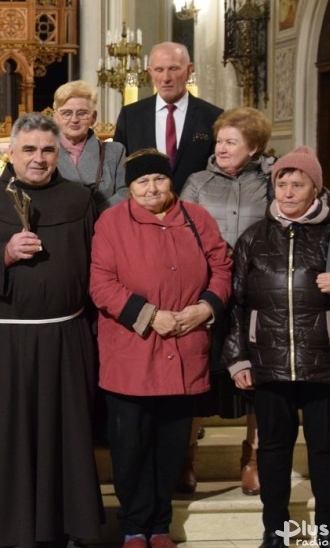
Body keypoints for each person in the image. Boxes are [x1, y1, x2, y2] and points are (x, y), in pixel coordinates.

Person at [222, 147, 330, 548]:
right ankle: (275, 531)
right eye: (282, 183)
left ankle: (328, 532)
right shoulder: (254, 237)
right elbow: (236, 304)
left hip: (327, 361)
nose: (288, 192)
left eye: (298, 184)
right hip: (269, 361)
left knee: (327, 450)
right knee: (273, 451)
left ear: (316, 188)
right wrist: (237, 358)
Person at [0, 112, 104, 547]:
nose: (38, 159)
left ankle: (71, 526)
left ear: (58, 153)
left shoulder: (79, 200)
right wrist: (2, 254)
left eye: (47, 150)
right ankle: (13, 530)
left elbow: (98, 264)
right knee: (10, 437)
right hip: (7, 341)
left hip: (66, 337)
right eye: (29, 150)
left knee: (68, 434)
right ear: (11, 152)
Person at [89, 149, 232, 548]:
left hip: (185, 346)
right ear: (129, 187)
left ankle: (160, 524)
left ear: (170, 180)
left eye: (159, 179)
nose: (152, 188)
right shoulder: (111, 222)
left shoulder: (196, 217)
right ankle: (134, 525)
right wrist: (152, 316)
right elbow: (102, 285)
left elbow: (222, 267)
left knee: (171, 446)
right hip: (133, 351)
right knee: (131, 446)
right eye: (142, 182)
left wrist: (205, 308)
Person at [177, 107, 276, 495]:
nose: (221, 148)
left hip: (257, 293)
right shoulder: (197, 181)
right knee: (198, 375)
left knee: (259, 378)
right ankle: (186, 458)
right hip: (207, 291)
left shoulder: (271, 181)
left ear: (253, 147)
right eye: (219, 141)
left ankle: (253, 458)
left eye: (231, 142)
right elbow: (179, 229)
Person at [113, 42, 222, 191]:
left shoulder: (213, 116)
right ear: (150, 73)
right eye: (159, 70)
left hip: (195, 208)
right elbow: (119, 171)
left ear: (189, 70)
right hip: (144, 208)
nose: (166, 78)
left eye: (174, 68)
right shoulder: (130, 116)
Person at [52, 79, 127, 212]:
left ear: (93, 117)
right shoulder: (45, 154)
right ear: (55, 117)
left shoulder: (115, 152)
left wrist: (93, 214)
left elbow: (124, 192)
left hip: (103, 224)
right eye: (67, 113)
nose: (74, 119)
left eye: (82, 113)